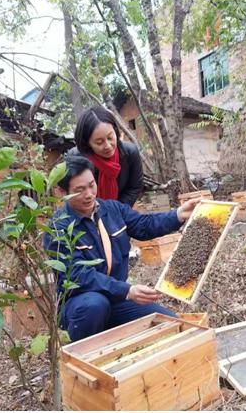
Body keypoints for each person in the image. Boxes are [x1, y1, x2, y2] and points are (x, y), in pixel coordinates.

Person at [43, 156, 200, 342]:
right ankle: (84, 357)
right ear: (63, 192)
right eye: (79, 190)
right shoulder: (58, 228)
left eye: (91, 185)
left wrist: (177, 215)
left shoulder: (112, 210)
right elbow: (79, 275)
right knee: (94, 305)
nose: (89, 194)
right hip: (81, 304)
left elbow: (144, 224)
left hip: (117, 299)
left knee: (170, 325)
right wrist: (127, 290)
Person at [68, 106, 143, 207]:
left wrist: (115, 211)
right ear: (87, 143)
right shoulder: (76, 158)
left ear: (115, 132)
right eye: (99, 142)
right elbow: (74, 192)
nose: (107, 146)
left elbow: (134, 188)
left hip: (119, 210)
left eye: (110, 137)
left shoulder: (130, 153)